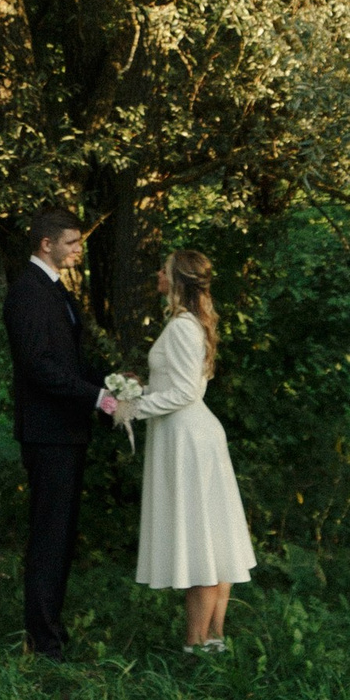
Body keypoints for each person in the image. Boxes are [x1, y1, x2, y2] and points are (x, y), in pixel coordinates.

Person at [107, 247, 254, 651]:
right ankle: (212, 640)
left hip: (188, 439)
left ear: (178, 280)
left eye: (165, 269)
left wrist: (132, 408)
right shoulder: (185, 324)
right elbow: (176, 385)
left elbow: (187, 392)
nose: (158, 273)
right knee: (211, 539)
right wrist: (142, 389)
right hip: (184, 434)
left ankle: (197, 646)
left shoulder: (184, 326)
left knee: (201, 542)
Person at [2, 204, 118, 660]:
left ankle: (51, 633)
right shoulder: (27, 294)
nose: (78, 252)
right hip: (47, 433)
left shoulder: (56, 292)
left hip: (66, 431)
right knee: (50, 537)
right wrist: (95, 398)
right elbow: (39, 367)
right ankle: (43, 642)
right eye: (71, 243)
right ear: (46, 244)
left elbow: (68, 362)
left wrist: (110, 385)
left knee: (62, 534)